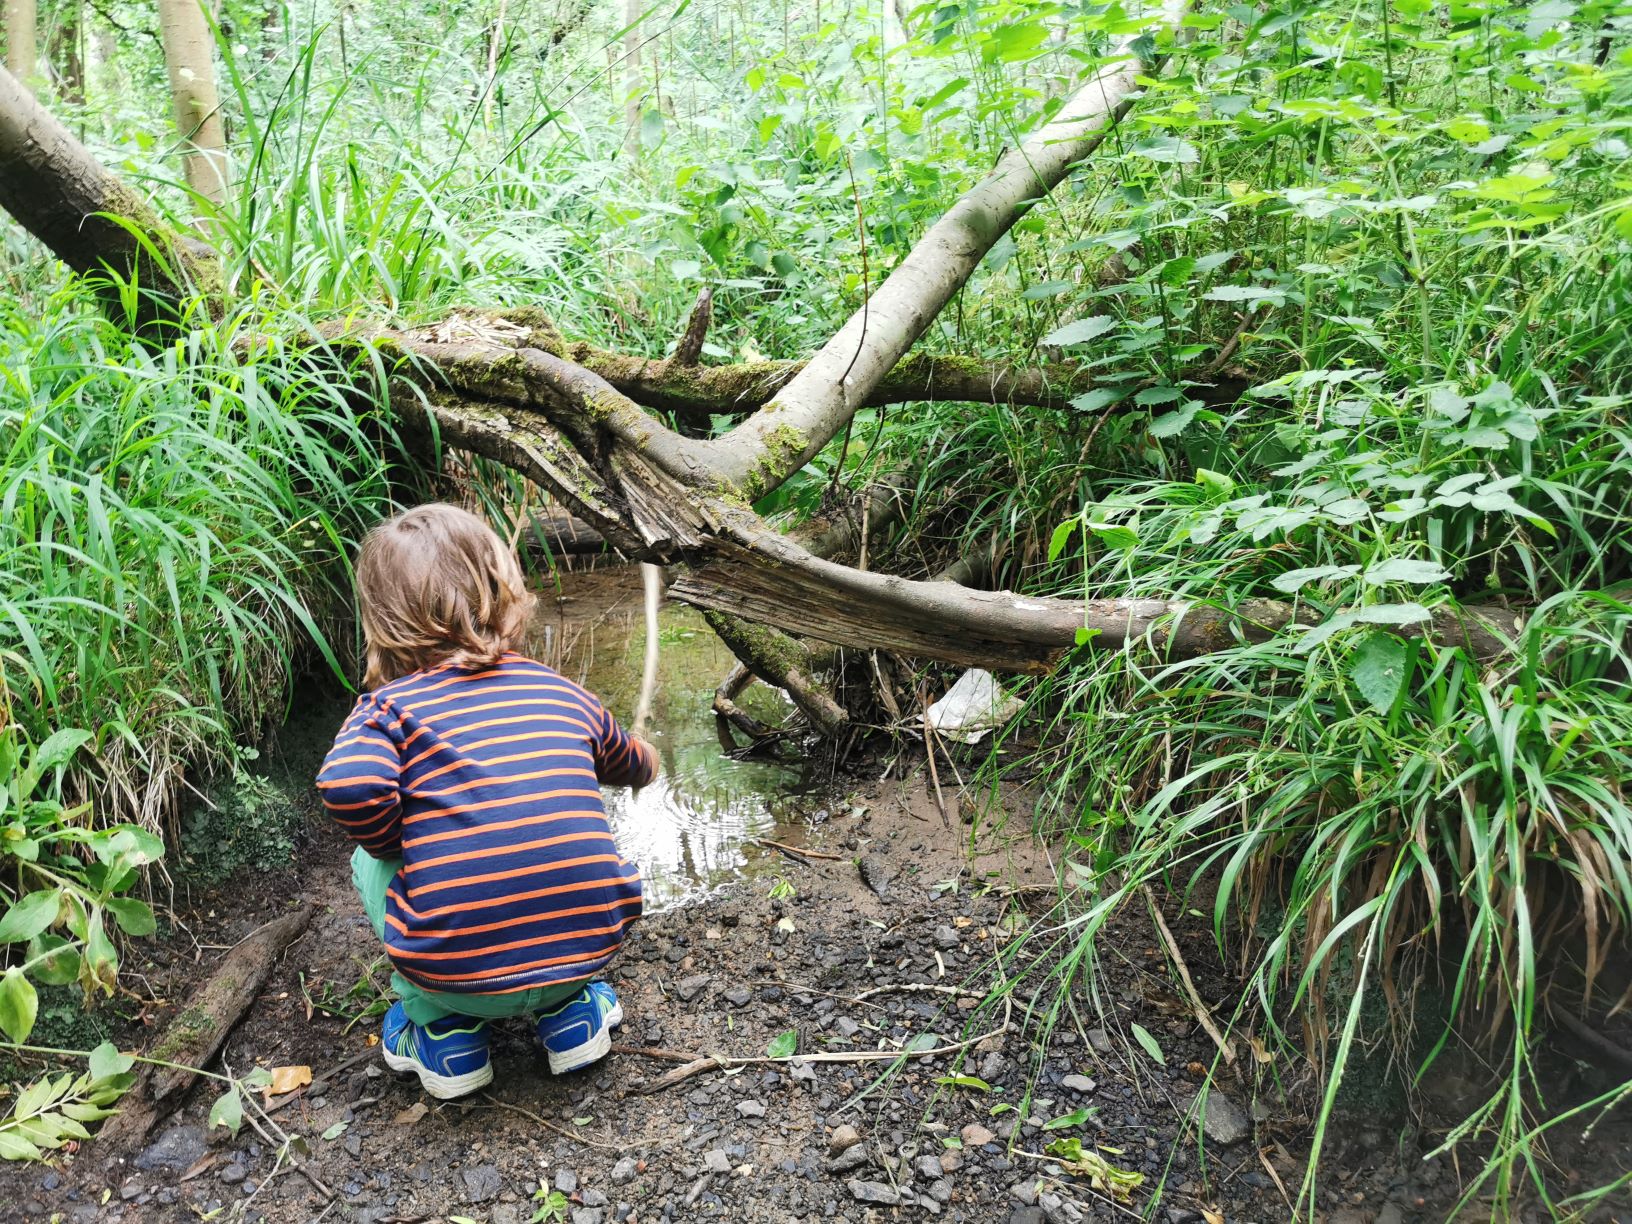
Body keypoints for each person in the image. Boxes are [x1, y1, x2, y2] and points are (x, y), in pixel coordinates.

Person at [316, 503, 657, 1099]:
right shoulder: (559, 692)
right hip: (583, 949)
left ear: (383, 622)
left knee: (369, 862)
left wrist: (395, 842)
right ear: (504, 593)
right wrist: (649, 759)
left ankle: (443, 1031)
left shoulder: (388, 711)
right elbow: (629, 762)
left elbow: (350, 785)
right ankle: (570, 1014)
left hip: (455, 973)